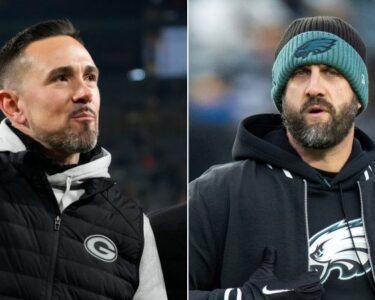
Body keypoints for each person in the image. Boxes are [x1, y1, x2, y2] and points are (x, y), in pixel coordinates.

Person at [190, 16, 375, 299]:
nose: (314, 87)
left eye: (331, 72)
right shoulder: (217, 193)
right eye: (300, 72)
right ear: (280, 94)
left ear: (359, 95)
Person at [0, 19, 167, 299]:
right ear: (13, 106)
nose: (84, 93)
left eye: (90, 77)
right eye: (61, 78)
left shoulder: (132, 226)